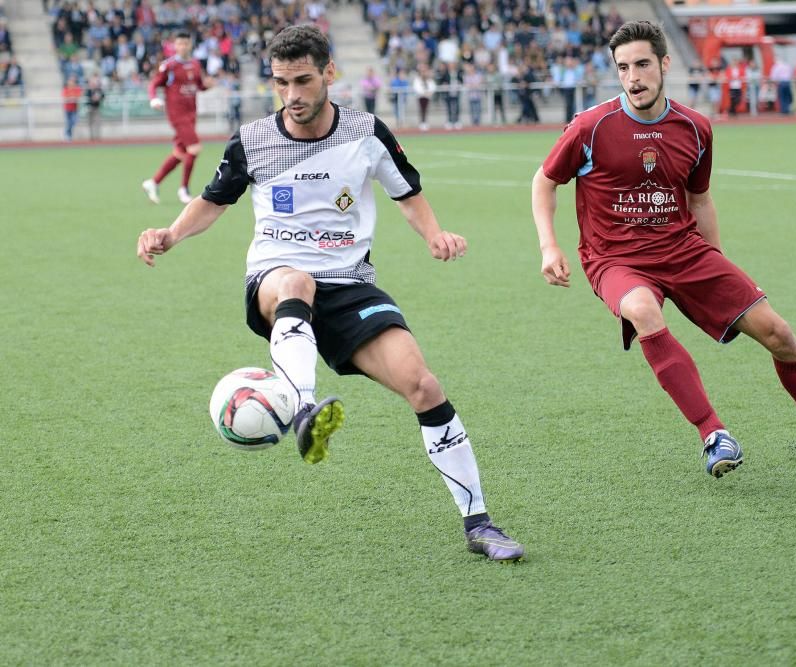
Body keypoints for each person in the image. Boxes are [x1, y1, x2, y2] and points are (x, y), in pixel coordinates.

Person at [136, 25, 524, 562]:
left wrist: (435, 234)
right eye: (280, 83)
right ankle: (304, 409)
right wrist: (171, 234)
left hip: (349, 286)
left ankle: (479, 523)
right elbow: (213, 200)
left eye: (302, 81)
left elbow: (407, 194)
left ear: (329, 74)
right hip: (277, 276)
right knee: (297, 281)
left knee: (424, 386)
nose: (292, 96)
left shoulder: (367, 132)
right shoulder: (252, 140)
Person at [530, 21, 796, 478]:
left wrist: (717, 261)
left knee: (780, 335)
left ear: (664, 64)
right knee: (641, 308)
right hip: (615, 258)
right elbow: (544, 181)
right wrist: (549, 246)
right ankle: (714, 433)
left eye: (641, 65)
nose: (633, 78)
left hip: (685, 250)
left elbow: (699, 199)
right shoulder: (591, 127)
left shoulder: (695, 128)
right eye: (623, 68)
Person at [142, 31, 214, 205]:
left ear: (190, 45)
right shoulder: (169, 66)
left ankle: (153, 182)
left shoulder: (195, 65)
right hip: (177, 114)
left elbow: (198, 86)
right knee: (195, 148)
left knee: (180, 152)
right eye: (179, 43)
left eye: (186, 43)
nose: (182, 47)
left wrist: (207, 86)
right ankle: (184, 189)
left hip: (191, 114)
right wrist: (153, 98)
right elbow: (154, 83)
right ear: (175, 46)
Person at [84, 74, 105, 140]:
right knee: (90, 123)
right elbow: (86, 97)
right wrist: (92, 98)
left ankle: (97, 136)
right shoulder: (89, 90)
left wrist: (98, 98)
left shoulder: (99, 90)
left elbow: (103, 96)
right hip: (90, 107)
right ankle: (91, 137)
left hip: (97, 107)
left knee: (97, 122)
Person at [61, 75, 82, 141]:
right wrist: (72, 98)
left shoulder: (77, 88)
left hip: (74, 108)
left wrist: (72, 98)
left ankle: (68, 134)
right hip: (67, 108)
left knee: (73, 121)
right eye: (70, 81)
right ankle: (68, 134)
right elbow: (65, 98)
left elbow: (77, 97)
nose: (71, 82)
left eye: (73, 81)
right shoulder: (66, 89)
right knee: (69, 122)